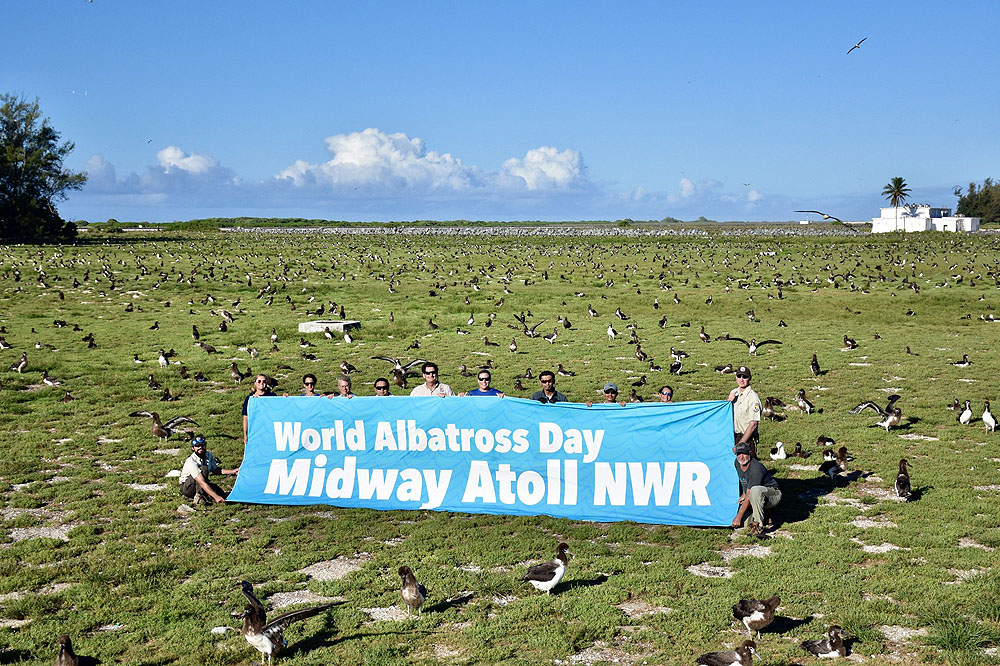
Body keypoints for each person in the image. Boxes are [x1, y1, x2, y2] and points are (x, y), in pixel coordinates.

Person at [731, 442, 781, 536]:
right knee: (743, 525)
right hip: (754, 495)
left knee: (755, 490)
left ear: (750, 453)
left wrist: (738, 516)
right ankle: (765, 515)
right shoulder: (737, 463)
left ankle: (758, 526)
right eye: (739, 454)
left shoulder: (756, 468)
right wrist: (744, 495)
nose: (741, 457)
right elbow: (745, 481)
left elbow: (750, 494)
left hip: (772, 494)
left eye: (744, 454)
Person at [179, 434, 240, 504]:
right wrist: (216, 497)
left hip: (201, 483)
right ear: (193, 448)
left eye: (202, 445)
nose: (200, 448)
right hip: (187, 487)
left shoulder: (208, 455)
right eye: (197, 446)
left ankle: (206, 495)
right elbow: (201, 482)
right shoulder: (191, 461)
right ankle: (199, 496)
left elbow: (215, 470)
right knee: (204, 469)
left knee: (220, 493)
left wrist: (232, 471)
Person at [727, 366, 761, 457]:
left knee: (747, 468)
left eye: (744, 377)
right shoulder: (733, 393)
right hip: (732, 437)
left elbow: (753, 424)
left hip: (746, 439)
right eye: (739, 376)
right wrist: (728, 402)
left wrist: (740, 444)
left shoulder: (753, 398)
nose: (741, 379)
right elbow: (725, 414)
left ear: (749, 378)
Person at [243, 374, 276, 443]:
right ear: (255, 383)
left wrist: (285, 397)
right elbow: (246, 417)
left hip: (269, 430)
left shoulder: (272, 396)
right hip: (255, 431)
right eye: (259, 381)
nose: (261, 383)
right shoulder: (250, 398)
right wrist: (245, 435)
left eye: (264, 381)